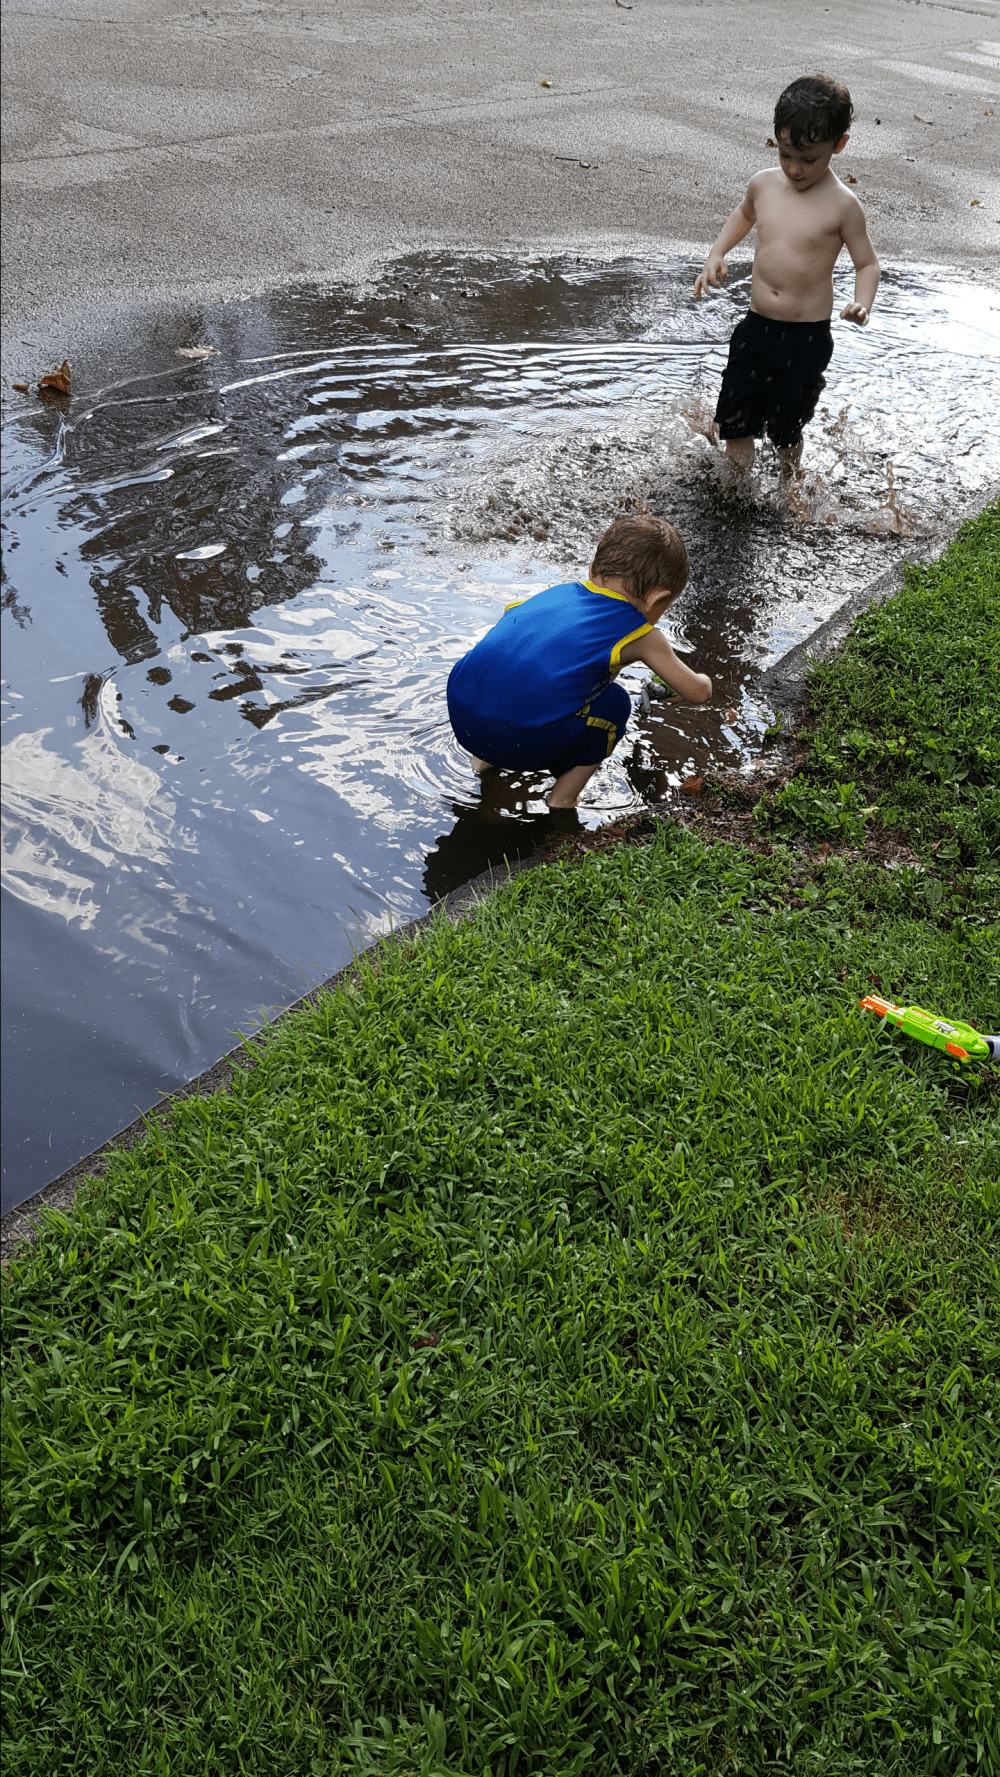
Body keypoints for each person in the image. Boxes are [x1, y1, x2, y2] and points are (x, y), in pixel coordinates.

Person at [447, 514, 711, 810]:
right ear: (656, 599)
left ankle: (484, 766)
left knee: (510, 675)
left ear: (593, 568)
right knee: (614, 704)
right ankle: (563, 799)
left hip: (462, 714)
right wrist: (703, 680)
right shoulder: (643, 635)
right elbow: (698, 693)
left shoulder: (555, 595)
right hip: (520, 738)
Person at [694, 73, 880, 474]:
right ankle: (737, 490)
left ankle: (789, 483)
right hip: (756, 326)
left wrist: (862, 303)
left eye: (808, 159)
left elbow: (867, 263)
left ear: (839, 144)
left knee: (786, 428)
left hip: (805, 339)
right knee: (736, 418)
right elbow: (744, 215)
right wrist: (717, 252)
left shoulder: (843, 205)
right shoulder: (763, 185)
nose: (794, 169)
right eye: (785, 154)